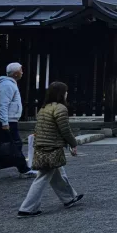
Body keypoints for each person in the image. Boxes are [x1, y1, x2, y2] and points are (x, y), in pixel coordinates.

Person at [17, 82, 84, 218]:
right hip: (52, 146)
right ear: (62, 93)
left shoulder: (44, 108)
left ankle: (69, 197)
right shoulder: (60, 108)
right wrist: (73, 143)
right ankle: (27, 208)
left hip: (42, 145)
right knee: (43, 176)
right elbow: (64, 129)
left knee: (56, 173)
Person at [0, 62, 36, 183]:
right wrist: (5, 122)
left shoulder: (8, 84)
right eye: (21, 70)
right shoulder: (7, 85)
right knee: (2, 146)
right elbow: (2, 105)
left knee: (8, 145)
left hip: (7, 120)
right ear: (15, 73)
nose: (22, 72)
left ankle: (23, 169)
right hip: (6, 121)